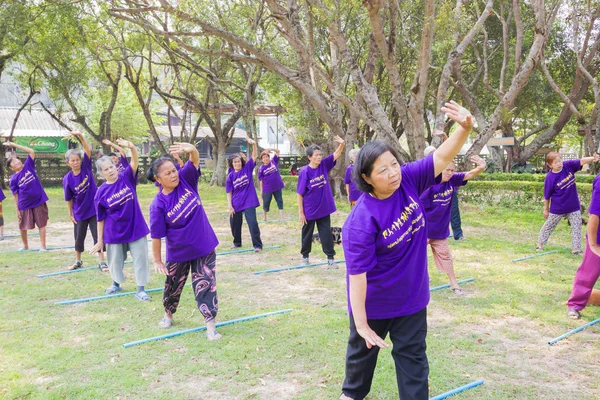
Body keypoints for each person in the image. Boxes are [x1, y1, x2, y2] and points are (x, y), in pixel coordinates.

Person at [339, 101, 473, 400]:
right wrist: (361, 325)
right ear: (366, 178)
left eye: (393, 164)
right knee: (358, 376)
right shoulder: (360, 223)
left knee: (414, 369)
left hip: (412, 300)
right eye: (382, 170)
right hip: (375, 305)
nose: (392, 173)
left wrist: (464, 130)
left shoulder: (409, 180)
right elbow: (357, 277)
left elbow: (442, 155)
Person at [150, 142, 222, 340]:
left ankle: (210, 326)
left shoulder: (186, 180)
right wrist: (157, 260)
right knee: (173, 285)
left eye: (173, 170)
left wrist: (192, 150)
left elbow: (194, 160)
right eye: (167, 173)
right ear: (158, 179)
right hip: (179, 252)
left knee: (206, 284)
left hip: (204, 245)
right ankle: (168, 314)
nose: (173, 175)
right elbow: (156, 235)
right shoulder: (158, 204)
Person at [90, 139, 151, 300]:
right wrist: (100, 240)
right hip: (114, 231)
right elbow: (100, 218)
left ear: (116, 166)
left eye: (111, 167)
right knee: (115, 260)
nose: (110, 171)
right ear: (101, 173)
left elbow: (135, 163)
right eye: (105, 169)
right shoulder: (100, 192)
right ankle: (116, 283)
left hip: (136, 227)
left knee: (140, 258)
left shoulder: (126, 178)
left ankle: (140, 289)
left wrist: (132, 148)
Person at [420, 155, 486, 295]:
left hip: (440, 230)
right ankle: (422, 281)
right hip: (423, 230)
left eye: (452, 170)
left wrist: (480, 167)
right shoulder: (429, 186)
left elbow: (469, 174)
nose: (450, 173)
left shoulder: (453, 180)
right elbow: (418, 209)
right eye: (447, 170)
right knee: (419, 257)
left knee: (446, 257)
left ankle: (453, 283)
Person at [536, 152, 599, 255]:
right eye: (555, 163)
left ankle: (576, 249)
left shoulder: (568, 166)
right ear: (550, 165)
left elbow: (581, 161)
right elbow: (547, 196)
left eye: (559, 160)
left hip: (573, 206)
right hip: (558, 208)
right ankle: (540, 244)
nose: (559, 164)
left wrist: (593, 158)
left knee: (577, 226)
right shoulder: (550, 177)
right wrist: (546, 209)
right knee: (549, 225)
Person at [62, 131, 107, 271]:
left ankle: (102, 261)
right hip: (79, 212)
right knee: (78, 237)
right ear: (68, 163)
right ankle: (78, 260)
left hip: (94, 209)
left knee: (98, 235)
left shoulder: (86, 168)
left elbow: (87, 149)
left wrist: (80, 135)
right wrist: (70, 213)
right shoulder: (67, 179)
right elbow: (68, 198)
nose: (75, 162)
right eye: (72, 160)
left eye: (77, 159)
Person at [297, 136, 345, 267]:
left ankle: (331, 259)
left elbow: (336, 155)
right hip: (309, 210)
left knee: (326, 234)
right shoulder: (305, 172)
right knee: (307, 234)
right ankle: (305, 257)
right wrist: (301, 212)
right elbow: (300, 194)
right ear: (309, 157)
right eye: (316, 155)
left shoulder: (323, 165)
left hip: (324, 208)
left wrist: (341, 144)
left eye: (320, 155)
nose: (319, 157)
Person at [3, 141, 49, 251]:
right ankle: (25, 246)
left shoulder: (28, 165)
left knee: (41, 223)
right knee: (22, 226)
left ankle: (43, 247)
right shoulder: (13, 179)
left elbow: (31, 151)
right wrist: (17, 209)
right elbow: (15, 195)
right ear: (11, 168)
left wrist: (14, 145)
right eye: (12, 163)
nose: (16, 163)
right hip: (24, 204)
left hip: (38, 200)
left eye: (16, 160)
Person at [566, 171, 600, 319]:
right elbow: (594, 214)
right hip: (598, 237)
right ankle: (575, 305)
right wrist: (593, 244)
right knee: (588, 273)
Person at [226, 138, 263, 252]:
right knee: (234, 223)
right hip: (236, 203)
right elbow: (229, 192)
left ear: (241, 162)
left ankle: (257, 245)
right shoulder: (230, 176)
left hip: (249, 201)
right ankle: (237, 242)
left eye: (238, 161)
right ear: (232, 164)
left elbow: (254, 156)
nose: (237, 163)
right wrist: (230, 206)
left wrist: (254, 145)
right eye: (235, 162)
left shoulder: (247, 169)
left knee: (252, 223)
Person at [258, 147, 285, 221]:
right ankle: (265, 217)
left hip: (277, 186)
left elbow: (278, 151)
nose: (265, 158)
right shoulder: (261, 169)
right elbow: (261, 180)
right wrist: (261, 191)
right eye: (263, 157)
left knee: (279, 201)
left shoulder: (273, 161)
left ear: (269, 157)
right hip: (267, 188)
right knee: (266, 202)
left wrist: (271, 149)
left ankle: (282, 217)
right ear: (262, 160)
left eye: (267, 157)